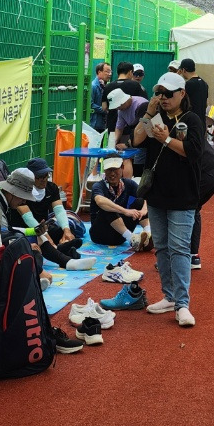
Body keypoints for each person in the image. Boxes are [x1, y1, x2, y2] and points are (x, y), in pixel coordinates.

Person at [135, 71, 203, 326]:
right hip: (156, 194)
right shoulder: (155, 117)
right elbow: (136, 139)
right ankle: (170, 296)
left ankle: (182, 304)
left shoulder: (192, 119)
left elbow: (193, 152)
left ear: (182, 94)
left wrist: (167, 139)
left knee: (179, 249)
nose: (163, 97)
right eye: (159, 93)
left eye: (168, 93)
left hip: (183, 195)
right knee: (162, 247)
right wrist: (148, 113)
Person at [89, 156, 148, 247]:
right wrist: (125, 211)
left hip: (120, 235)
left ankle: (148, 235)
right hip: (100, 235)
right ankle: (132, 239)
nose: (112, 173)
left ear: (122, 168)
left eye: (115, 169)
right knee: (108, 206)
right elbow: (100, 201)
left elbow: (147, 197)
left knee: (140, 202)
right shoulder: (98, 186)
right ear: (104, 170)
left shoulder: (129, 184)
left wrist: (144, 210)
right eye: (109, 170)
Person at [106, 88, 149, 175]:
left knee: (139, 163)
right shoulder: (121, 111)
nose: (118, 108)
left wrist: (127, 144)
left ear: (124, 101)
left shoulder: (141, 105)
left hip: (146, 137)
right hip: (134, 136)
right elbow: (119, 127)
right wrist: (114, 141)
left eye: (118, 106)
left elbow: (142, 129)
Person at [89, 60, 111, 130]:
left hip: (102, 124)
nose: (110, 74)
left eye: (110, 72)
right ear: (99, 72)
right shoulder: (93, 86)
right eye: (107, 71)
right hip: (94, 124)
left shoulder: (104, 86)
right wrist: (105, 110)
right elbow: (90, 104)